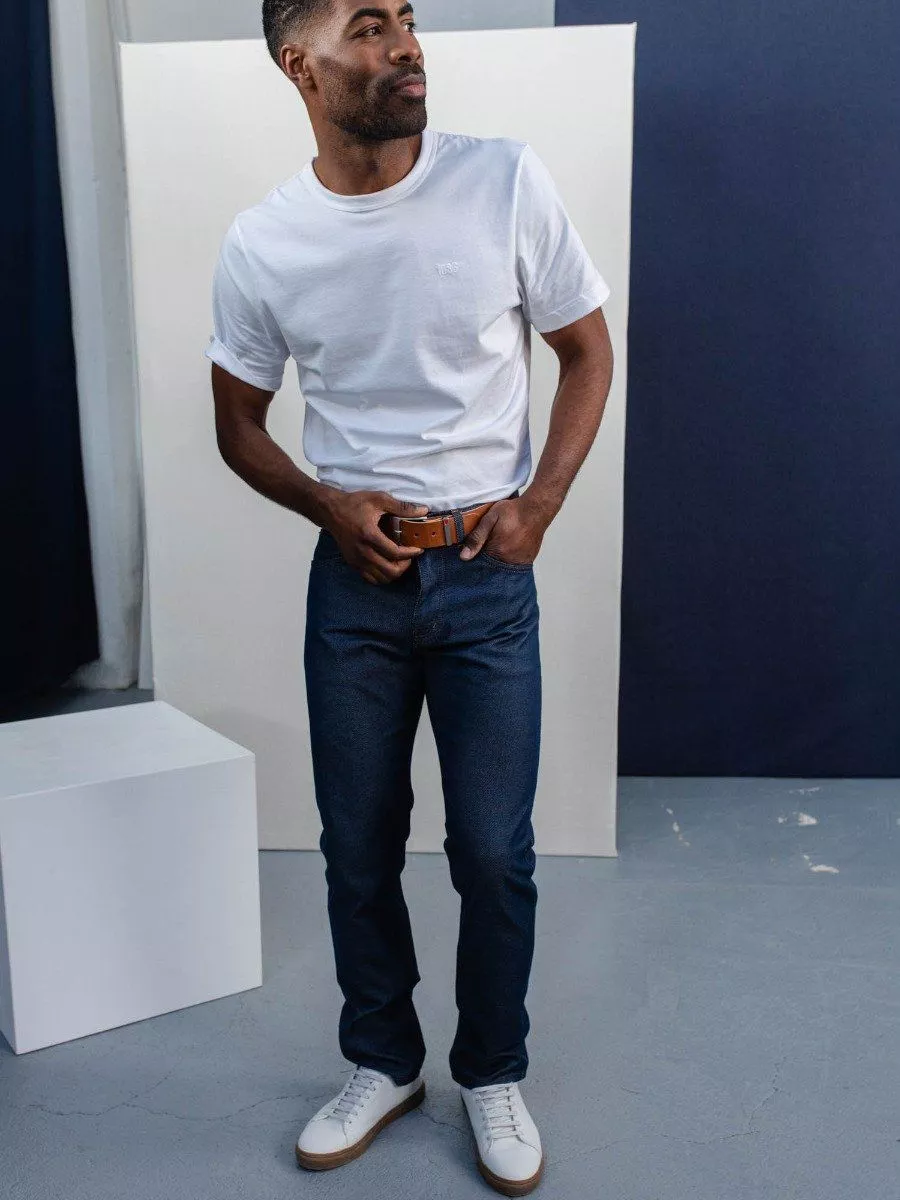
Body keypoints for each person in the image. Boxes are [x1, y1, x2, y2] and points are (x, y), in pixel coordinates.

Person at [205, 0, 614, 1192]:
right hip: (357, 591)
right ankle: (383, 1063)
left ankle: (492, 1072)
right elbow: (237, 424)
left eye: (410, 20)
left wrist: (539, 504)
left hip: (488, 576)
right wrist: (326, 504)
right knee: (355, 848)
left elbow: (586, 349)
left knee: (492, 853)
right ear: (302, 64)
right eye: (371, 26)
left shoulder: (503, 181)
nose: (407, 46)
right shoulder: (265, 240)